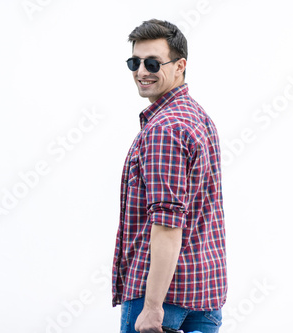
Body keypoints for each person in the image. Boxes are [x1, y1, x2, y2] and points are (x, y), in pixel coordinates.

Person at [111, 19, 227, 333]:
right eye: (134, 62)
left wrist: (151, 308)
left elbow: (167, 225)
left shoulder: (164, 129)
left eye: (152, 63)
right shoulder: (198, 117)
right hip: (205, 294)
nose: (141, 71)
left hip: (161, 298)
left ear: (180, 66)